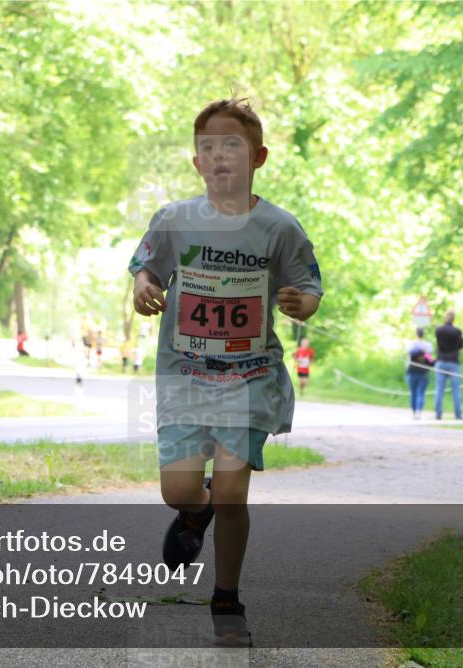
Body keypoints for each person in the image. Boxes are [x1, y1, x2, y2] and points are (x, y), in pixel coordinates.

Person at [129, 98, 322, 646]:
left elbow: (308, 286)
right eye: (208, 148)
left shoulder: (279, 226)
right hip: (185, 375)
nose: (219, 158)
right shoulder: (173, 220)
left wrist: (301, 304)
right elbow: (146, 268)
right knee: (178, 490)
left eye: (231, 146)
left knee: (235, 494)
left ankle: (227, 598)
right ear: (196, 163)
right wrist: (144, 285)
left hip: (249, 376)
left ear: (258, 156)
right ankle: (195, 511)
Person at [434, 310, 463, 420]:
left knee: (439, 389)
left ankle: (438, 413)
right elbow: (461, 345)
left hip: (441, 361)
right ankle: (458, 414)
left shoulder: (439, 330)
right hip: (454, 362)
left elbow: (438, 343)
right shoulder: (457, 331)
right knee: (456, 390)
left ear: (445, 318)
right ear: (453, 319)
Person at [405, 327, 434, 419]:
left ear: (416, 334)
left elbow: (408, 356)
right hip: (423, 372)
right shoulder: (428, 345)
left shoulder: (411, 345)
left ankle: (414, 412)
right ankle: (419, 412)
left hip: (412, 371)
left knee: (413, 392)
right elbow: (430, 358)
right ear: (423, 334)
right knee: (421, 392)